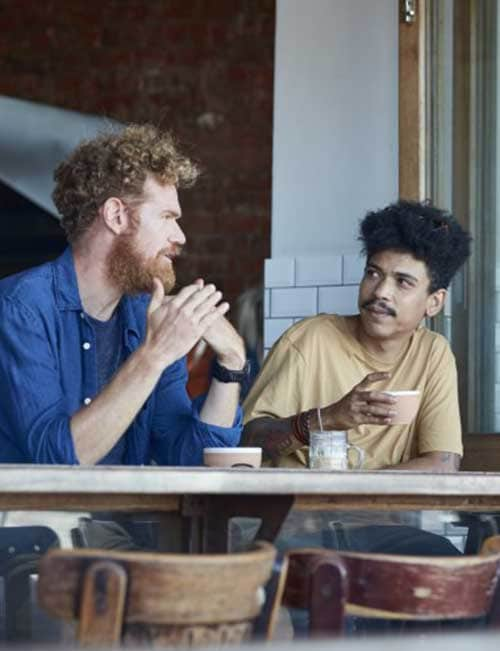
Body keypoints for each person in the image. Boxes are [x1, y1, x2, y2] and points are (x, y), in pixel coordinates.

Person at [0, 124, 251, 468]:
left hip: (118, 522)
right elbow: (57, 459)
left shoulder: (145, 314)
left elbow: (189, 460)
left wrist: (232, 365)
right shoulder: (21, 308)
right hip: (34, 521)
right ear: (117, 216)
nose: (180, 236)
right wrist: (153, 355)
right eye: (166, 217)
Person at [242, 200, 472, 561]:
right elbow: (248, 445)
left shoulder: (433, 354)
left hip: (381, 526)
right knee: (306, 576)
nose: (381, 291)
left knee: (452, 571)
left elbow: (442, 464)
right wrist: (326, 419)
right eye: (373, 273)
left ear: (434, 302)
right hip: (297, 525)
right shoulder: (309, 339)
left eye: (403, 282)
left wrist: (350, 500)